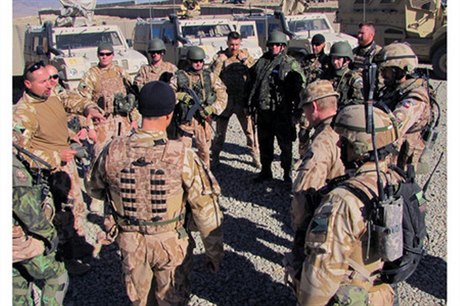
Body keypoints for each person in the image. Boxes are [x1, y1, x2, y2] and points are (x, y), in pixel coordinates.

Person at [87, 81, 224, 305]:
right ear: (169, 115)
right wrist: (214, 253)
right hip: (170, 242)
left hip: (130, 240)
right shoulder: (182, 155)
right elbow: (205, 210)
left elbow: (94, 188)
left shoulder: (112, 149)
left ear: (139, 111)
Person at [297, 104, 400, 305]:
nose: (338, 146)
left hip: (353, 297)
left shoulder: (343, 200)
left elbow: (322, 270)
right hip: (382, 293)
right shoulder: (394, 179)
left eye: (343, 141)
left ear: (359, 147)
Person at [13, 61, 107, 267]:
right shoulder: (24, 112)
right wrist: (55, 156)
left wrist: (88, 108)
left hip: (66, 162)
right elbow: (19, 149)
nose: (49, 85)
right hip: (49, 171)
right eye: (42, 82)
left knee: (76, 208)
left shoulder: (50, 93)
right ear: (28, 85)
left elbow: (68, 99)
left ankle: (76, 244)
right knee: (60, 213)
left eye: (50, 79)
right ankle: (64, 259)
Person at [285, 80, 345, 292]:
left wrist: (299, 230)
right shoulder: (349, 127)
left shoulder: (322, 142)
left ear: (315, 107)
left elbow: (304, 192)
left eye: (305, 109)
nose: (305, 115)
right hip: (349, 219)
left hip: (325, 221)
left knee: (309, 278)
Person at [12, 131, 69, 306]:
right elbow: (28, 211)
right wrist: (50, 235)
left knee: (17, 281)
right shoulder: (13, 169)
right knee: (57, 276)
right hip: (18, 241)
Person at [248, 30, 305, 184]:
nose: (274, 48)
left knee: (285, 146)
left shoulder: (289, 63)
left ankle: (287, 174)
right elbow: (252, 81)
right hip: (263, 112)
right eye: (271, 45)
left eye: (277, 45)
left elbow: (301, 89)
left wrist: (297, 113)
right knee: (264, 143)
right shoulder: (262, 61)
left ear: (282, 46)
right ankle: (266, 171)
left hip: (281, 112)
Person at [374, 42, 431, 173]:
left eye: (386, 71)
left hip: (399, 166)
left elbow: (393, 127)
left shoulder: (415, 97)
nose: (382, 76)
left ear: (399, 71)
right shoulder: (395, 90)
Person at [78, 42, 139, 156]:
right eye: (102, 54)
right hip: (102, 123)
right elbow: (83, 102)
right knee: (99, 156)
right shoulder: (92, 75)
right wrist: (88, 127)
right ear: (98, 55)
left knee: (124, 155)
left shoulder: (120, 72)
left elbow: (131, 97)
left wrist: (134, 119)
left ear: (112, 55)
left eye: (108, 54)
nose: (104, 57)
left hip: (122, 122)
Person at [209, 31, 260, 168]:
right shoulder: (220, 57)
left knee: (249, 131)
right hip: (225, 100)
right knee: (220, 133)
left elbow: (256, 72)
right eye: (231, 44)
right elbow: (212, 77)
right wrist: (220, 61)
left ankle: (255, 156)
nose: (234, 48)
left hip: (242, 100)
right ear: (227, 43)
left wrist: (244, 60)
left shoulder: (245, 55)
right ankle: (215, 156)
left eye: (237, 44)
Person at [173, 46, 228, 168]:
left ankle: (206, 177)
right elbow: (167, 94)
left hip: (203, 121)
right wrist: (179, 95)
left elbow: (222, 94)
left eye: (200, 61)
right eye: (195, 61)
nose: (198, 64)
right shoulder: (179, 77)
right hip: (185, 121)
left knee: (204, 152)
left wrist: (212, 108)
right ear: (189, 61)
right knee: (183, 152)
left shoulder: (210, 76)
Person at [324, 41, 364, 109]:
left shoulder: (353, 78)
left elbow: (359, 101)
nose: (335, 62)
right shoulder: (326, 75)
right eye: (333, 58)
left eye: (338, 59)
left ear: (347, 60)